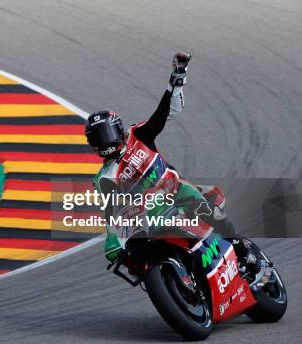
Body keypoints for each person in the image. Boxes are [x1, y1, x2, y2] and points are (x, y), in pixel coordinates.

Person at [85, 53, 249, 267]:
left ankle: (242, 251)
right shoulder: (102, 178)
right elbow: (112, 213)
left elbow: (163, 113)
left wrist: (177, 77)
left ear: (118, 129)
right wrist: (116, 243)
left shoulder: (139, 135)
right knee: (129, 252)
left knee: (207, 209)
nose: (105, 141)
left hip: (175, 191)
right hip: (148, 215)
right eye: (99, 137)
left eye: (106, 133)